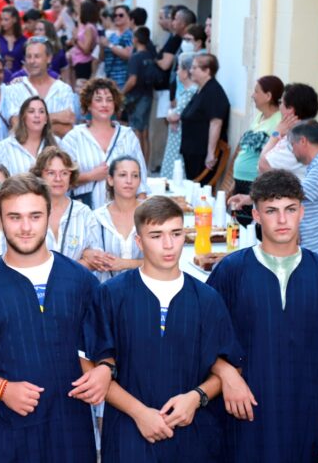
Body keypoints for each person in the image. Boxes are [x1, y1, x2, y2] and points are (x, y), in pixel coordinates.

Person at [0, 173, 112, 462]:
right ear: (0, 217)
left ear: (49, 215)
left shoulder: (81, 280)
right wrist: (2, 389)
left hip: (68, 432)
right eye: (14, 217)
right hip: (1, 432)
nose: (25, 227)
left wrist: (105, 371)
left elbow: (105, 347)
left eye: (35, 216)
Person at [207, 169, 318, 463]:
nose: (282, 220)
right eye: (271, 211)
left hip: (309, 418)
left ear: (302, 212)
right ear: (255, 215)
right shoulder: (232, 270)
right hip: (246, 417)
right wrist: (227, 373)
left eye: (290, 209)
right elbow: (203, 339)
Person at [99, 196, 244, 461]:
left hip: (194, 436)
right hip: (129, 433)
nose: (168, 245)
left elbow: (227, 365)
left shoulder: (207, 298)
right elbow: (96, 368)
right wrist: (140, 413)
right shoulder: (111, 295)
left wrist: (196, 397)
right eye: (156, 235)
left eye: (176, 233)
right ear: (139, 242)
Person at [230, 122, 318, 280]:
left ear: (303, 141)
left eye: (292, 145)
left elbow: (293, 195)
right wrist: (250, 199)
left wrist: (252, 199)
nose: (292, 151)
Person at [62, 78, 148, 209]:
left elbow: (141, 177)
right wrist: (90, 176)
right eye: (98, 99)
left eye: (109, 99)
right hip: (84, 212)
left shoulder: (127, 136)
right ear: (89, 104)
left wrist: (140, 209)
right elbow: (62, 178)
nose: (104, 104)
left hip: (123, 213)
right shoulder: (73, 138)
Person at [30, 146, 103, 267]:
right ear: (39, 175)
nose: (58, 179)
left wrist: (63, 275)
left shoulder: (84, 213)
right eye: (51, 173)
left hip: (76, 284)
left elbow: (96, 259)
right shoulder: (27, 211)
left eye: (64, 173)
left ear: (71, 176)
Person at [229, 75, 284, 225]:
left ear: (268, 96)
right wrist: (234, 182)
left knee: (251, 229)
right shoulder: (259, 117)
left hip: (255, 183)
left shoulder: (279, 121)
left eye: (256, 91)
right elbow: (246, 151)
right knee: (238, 227)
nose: (252, 95)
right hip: (241, 182)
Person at [6, 37, 76, 137]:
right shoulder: (14, 89)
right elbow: (17, 125)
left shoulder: (63, 90)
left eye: (37, 56)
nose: (32, 61)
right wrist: (57, 117)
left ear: (49, 58)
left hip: (55, 151)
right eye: (28, 57)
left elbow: (68, 129)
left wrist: (29, 121)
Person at [92, 156, 145, 282]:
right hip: (106, 295)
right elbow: (91, 260)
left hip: (145, 293)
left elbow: (162, 262)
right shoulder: (97, 217)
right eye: (122, 175)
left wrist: (126, 264)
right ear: (110, 180)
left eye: (135, 175)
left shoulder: (151, 213)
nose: (129, 181)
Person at [180, 53, 230, 182]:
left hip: (201, 154)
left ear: (207, 71)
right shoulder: (201, 89)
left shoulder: (213, 91)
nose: (191, 71)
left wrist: (210, 153)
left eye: (195, 68)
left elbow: (216, 123)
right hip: (192, 151)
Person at [258, 82, 318, 180]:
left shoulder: (298, 140)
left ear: (290, 109)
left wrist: (276, 134)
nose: (279, 107)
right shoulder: (305, 131)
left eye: (281, 102)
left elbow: (262, 165)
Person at [0, 96, 58, 175]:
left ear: (46, 119)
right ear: (23, 117)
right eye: (31, 111)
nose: (37, 115)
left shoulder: (57, 144)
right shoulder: (5, 147)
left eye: (41, 111)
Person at [159, 52, 196, 179]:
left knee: (176, 172)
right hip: (176, 138)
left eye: (179, 68)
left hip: (180, 140)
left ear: (186, 73)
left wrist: (171, 115)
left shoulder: (191, 91)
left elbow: (173, 116)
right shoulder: (187, 91)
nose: (177, 72)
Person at [122, 26, 156, 161]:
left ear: (135, 39)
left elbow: (132, 80)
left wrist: (120, 93)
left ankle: (138, 165)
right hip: (148, 95)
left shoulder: (135, 58)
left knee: (136, 132)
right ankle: (145, 167)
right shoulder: (151, 55)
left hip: (136, 98)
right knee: (145, 132)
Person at [99, 5, 133, 89]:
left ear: (128, 17)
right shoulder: (112, 36)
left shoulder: (129, 35)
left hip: (123, 81)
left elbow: (128, 55)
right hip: (109, 80)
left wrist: (110, 45)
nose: (117, 17)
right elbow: (102, 58)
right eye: (115, 15)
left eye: (121, 15)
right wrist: (102, 46)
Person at [0, 5, 27, 72]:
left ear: (14, 19)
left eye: (6, 20)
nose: (2, 23)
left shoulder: (23, 41)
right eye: (1, 19)